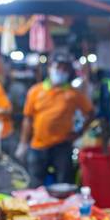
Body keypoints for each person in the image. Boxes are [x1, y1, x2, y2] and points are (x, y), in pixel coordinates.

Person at [17, 54, 94, 186]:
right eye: (58, 67)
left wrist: (79, 133)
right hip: (38, 146)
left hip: (62, 146)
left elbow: (90, 113)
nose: (61, 72)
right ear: (50, 68)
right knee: (35, 184)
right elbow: (28, 119)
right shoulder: (35, 91)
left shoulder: (73, 94)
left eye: (65, 69)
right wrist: (23, 143)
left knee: (63, 185)